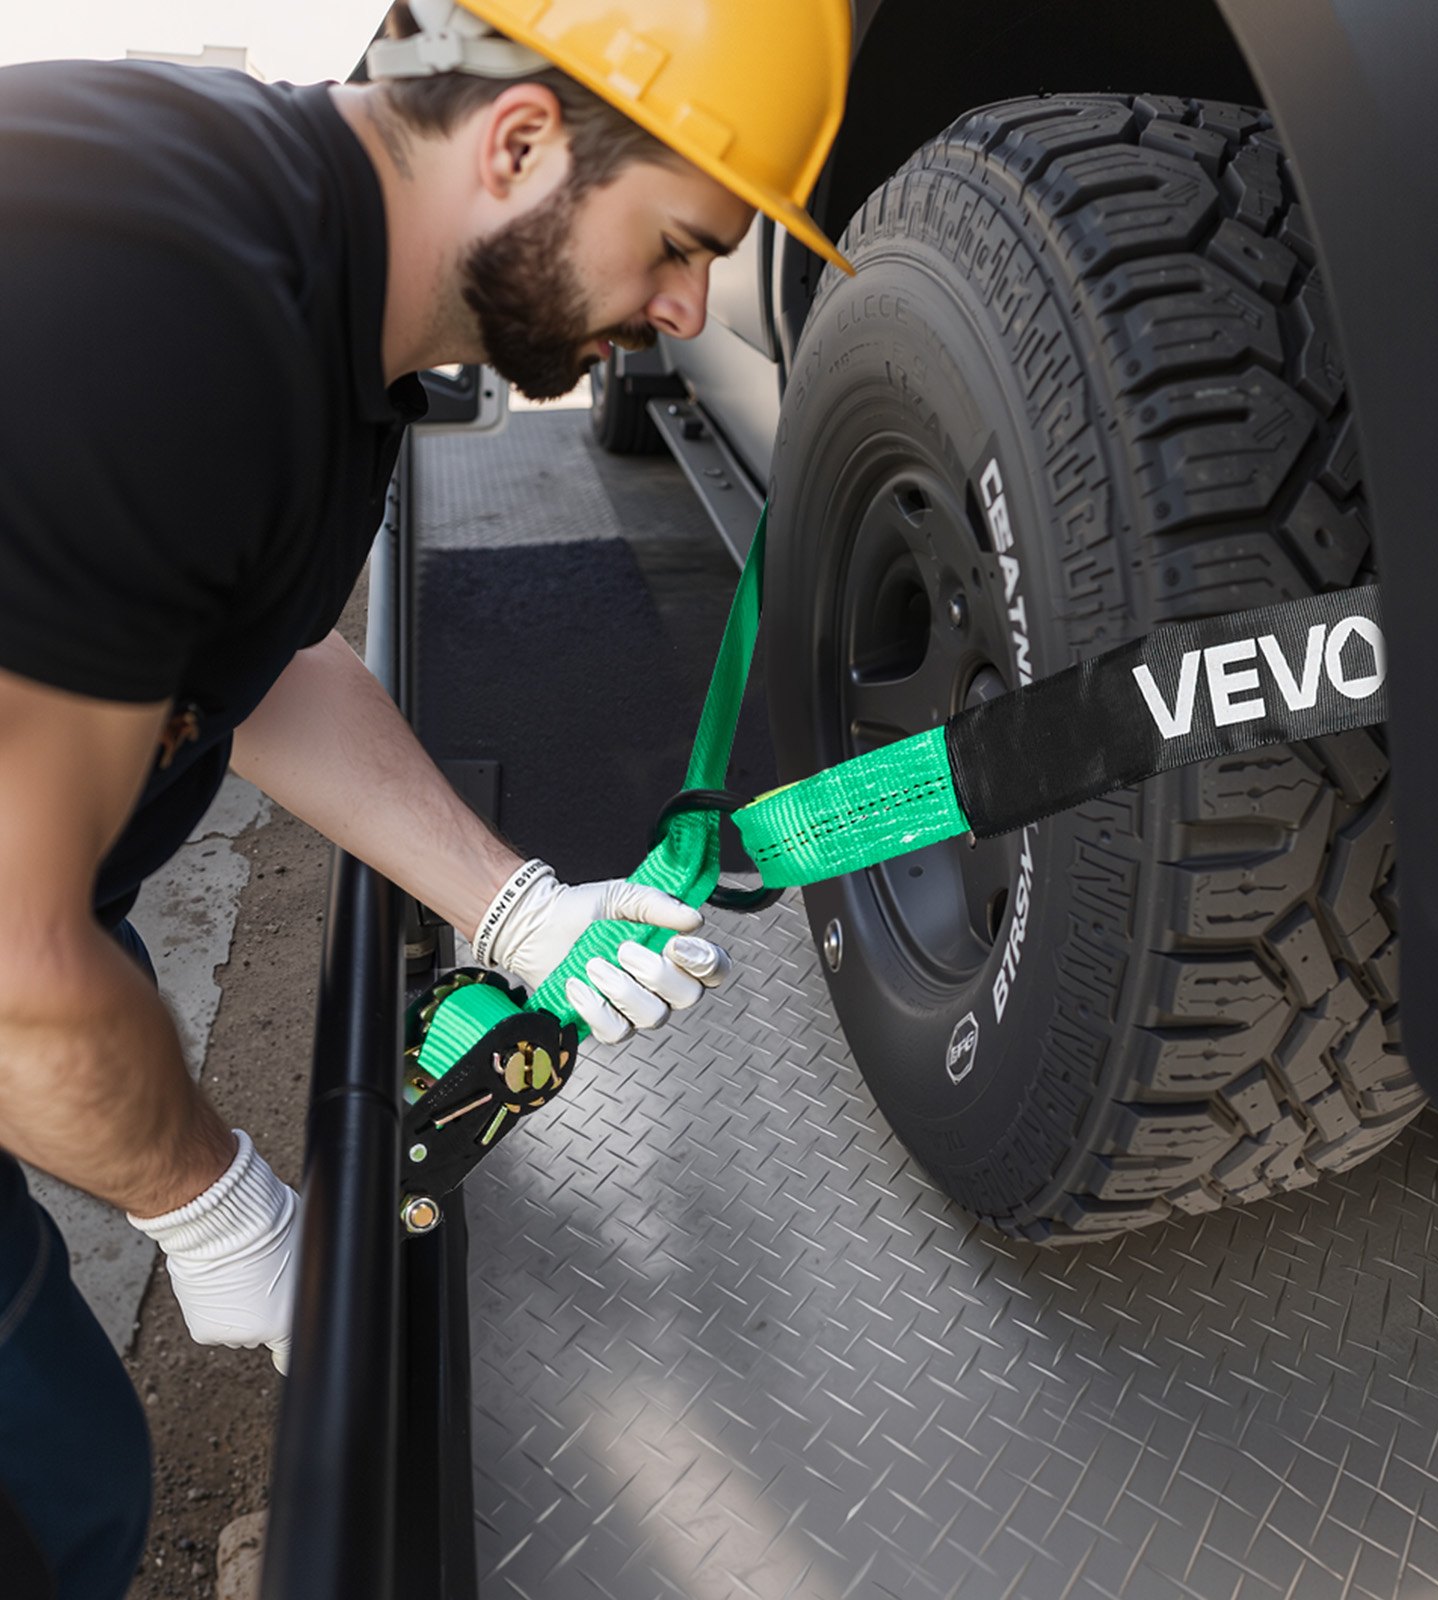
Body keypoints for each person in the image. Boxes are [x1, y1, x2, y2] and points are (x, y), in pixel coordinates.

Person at [0, 1, 852, 1592]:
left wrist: (510, 908)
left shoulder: (323, 302)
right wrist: (222, 1213)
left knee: (68, 1467)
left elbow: (248, 663)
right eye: (676, 242)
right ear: (521, 143)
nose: (683, 311)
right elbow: (15, 969)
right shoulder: (167, 312)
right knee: (49, 1505)